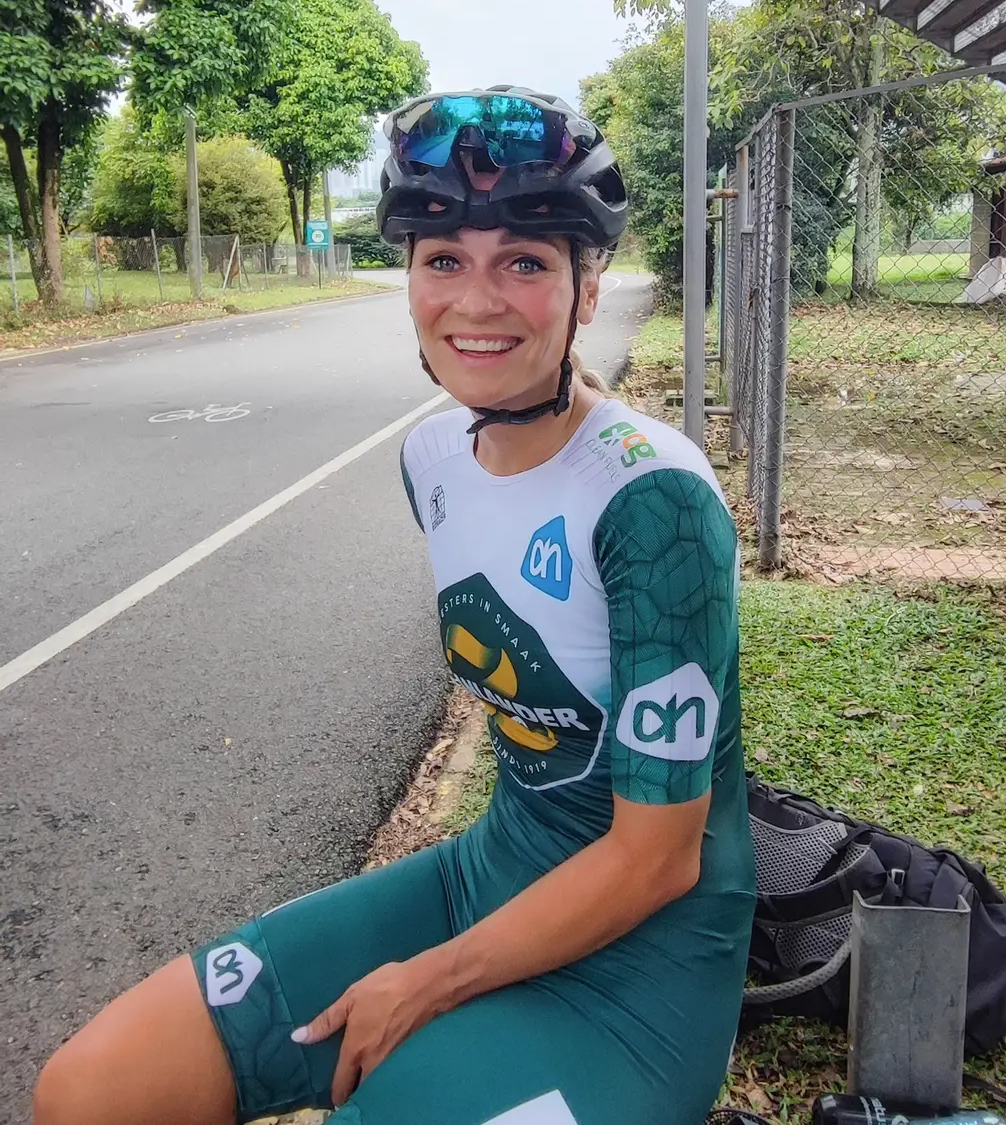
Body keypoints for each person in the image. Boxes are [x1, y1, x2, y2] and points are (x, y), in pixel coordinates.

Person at [33, 88, 756, 1125]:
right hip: (486, 877)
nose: (478, 302)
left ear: (588, 288)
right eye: (444, 259)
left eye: (525, 263)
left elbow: (658, 858)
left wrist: (424, 983)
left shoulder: (653, 504)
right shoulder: (431, 457)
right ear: (409, 276)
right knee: (88, 1091)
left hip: (641, 975)